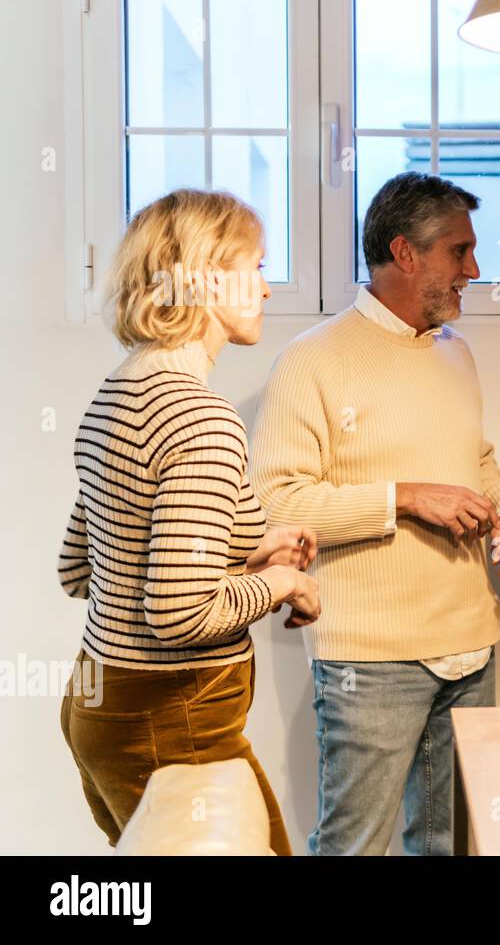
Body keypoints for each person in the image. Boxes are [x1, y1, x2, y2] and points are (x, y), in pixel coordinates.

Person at [250, 172, 500, 856]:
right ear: (406, 254)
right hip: (371, 659)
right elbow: (277, 504)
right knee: (356, 846)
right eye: (459, 252)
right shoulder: (310, 362)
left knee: (445, 844)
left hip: (472, 648)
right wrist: (404, 497)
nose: (474, 269)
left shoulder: (456, 354)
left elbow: (477, 459)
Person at [57, 189, 320, 856]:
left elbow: (81, 566)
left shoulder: (119, 390)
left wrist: (247, 545)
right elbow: (176, 613)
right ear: (205, 278)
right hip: (171, 721)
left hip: (102, 706)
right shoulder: (200, 417)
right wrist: (282, 582)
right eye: (255, 268)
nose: (265, 290)